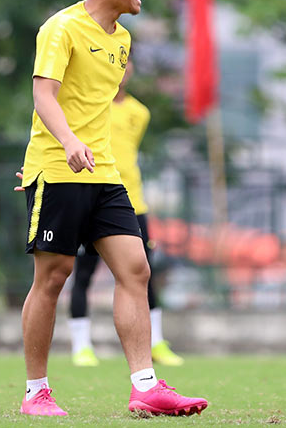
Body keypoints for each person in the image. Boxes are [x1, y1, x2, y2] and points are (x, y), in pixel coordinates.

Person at [17, 0, 207, 417]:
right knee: (54, 277)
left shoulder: (122, 40)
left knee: (137, 269)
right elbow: (44, 95)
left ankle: (145, 387)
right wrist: (65, 144)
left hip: (104, 174)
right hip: (59, 171)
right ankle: (35, 392)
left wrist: (86, 147)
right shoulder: (61, 28)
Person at [68, 59, 184, 368]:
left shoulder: (139, 113)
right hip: (92, 197)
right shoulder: (91, 105)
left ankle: (156, 342)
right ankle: (81, 345)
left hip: (132, 201)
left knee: (143, 272)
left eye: (126, 65)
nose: (122, 71)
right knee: (82, 273)